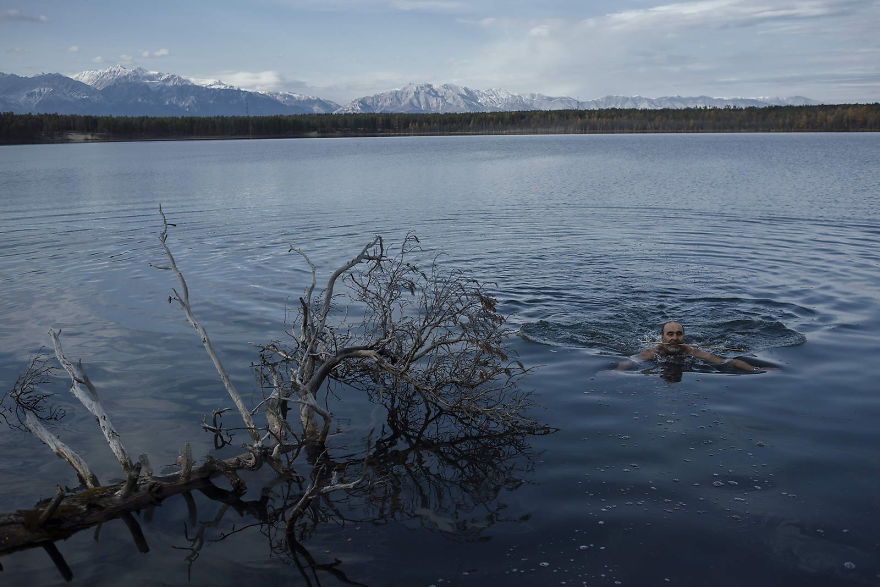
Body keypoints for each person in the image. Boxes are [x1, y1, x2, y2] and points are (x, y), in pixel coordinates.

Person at [614, 321, 765, 373]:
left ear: (683, 337)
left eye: (679, 334)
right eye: (670, 334)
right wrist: (613, 371)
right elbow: (630, 362)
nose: (674, 338)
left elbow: (726, 362)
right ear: (662, 338)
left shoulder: (690, 350)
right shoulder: (653, 351)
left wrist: (755, 370)